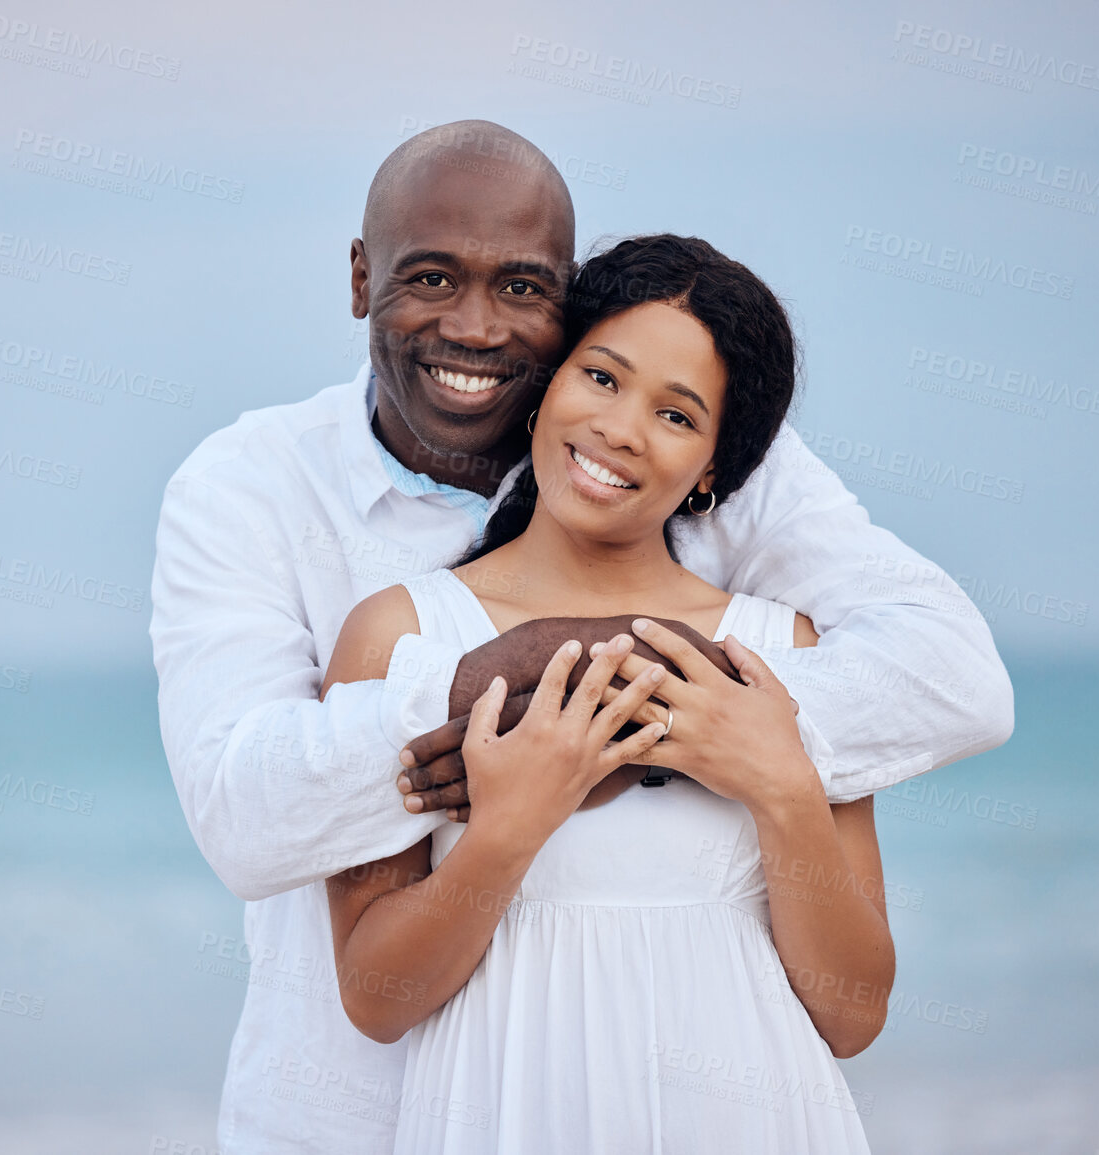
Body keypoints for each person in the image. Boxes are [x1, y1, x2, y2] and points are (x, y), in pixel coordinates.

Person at [150, 121, 1010, 1153]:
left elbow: (955, 680)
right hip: (373, 1116)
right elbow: (244, 819)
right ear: (359, 278)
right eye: (431, 277)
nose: (474, 327)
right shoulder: (260, 500)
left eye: (521, 288)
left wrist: (729, 734)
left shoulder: (760, 593)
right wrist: (479, 707)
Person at [326, 234, 883, 1152]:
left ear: (713, 465)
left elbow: (853, 1015)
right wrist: (508, 827)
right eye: (602, 377)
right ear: (548, 383)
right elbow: (376, 1000)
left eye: (676, 415)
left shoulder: (782, 649)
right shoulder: (401, 638)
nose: (622, 428)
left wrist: (780, 788)